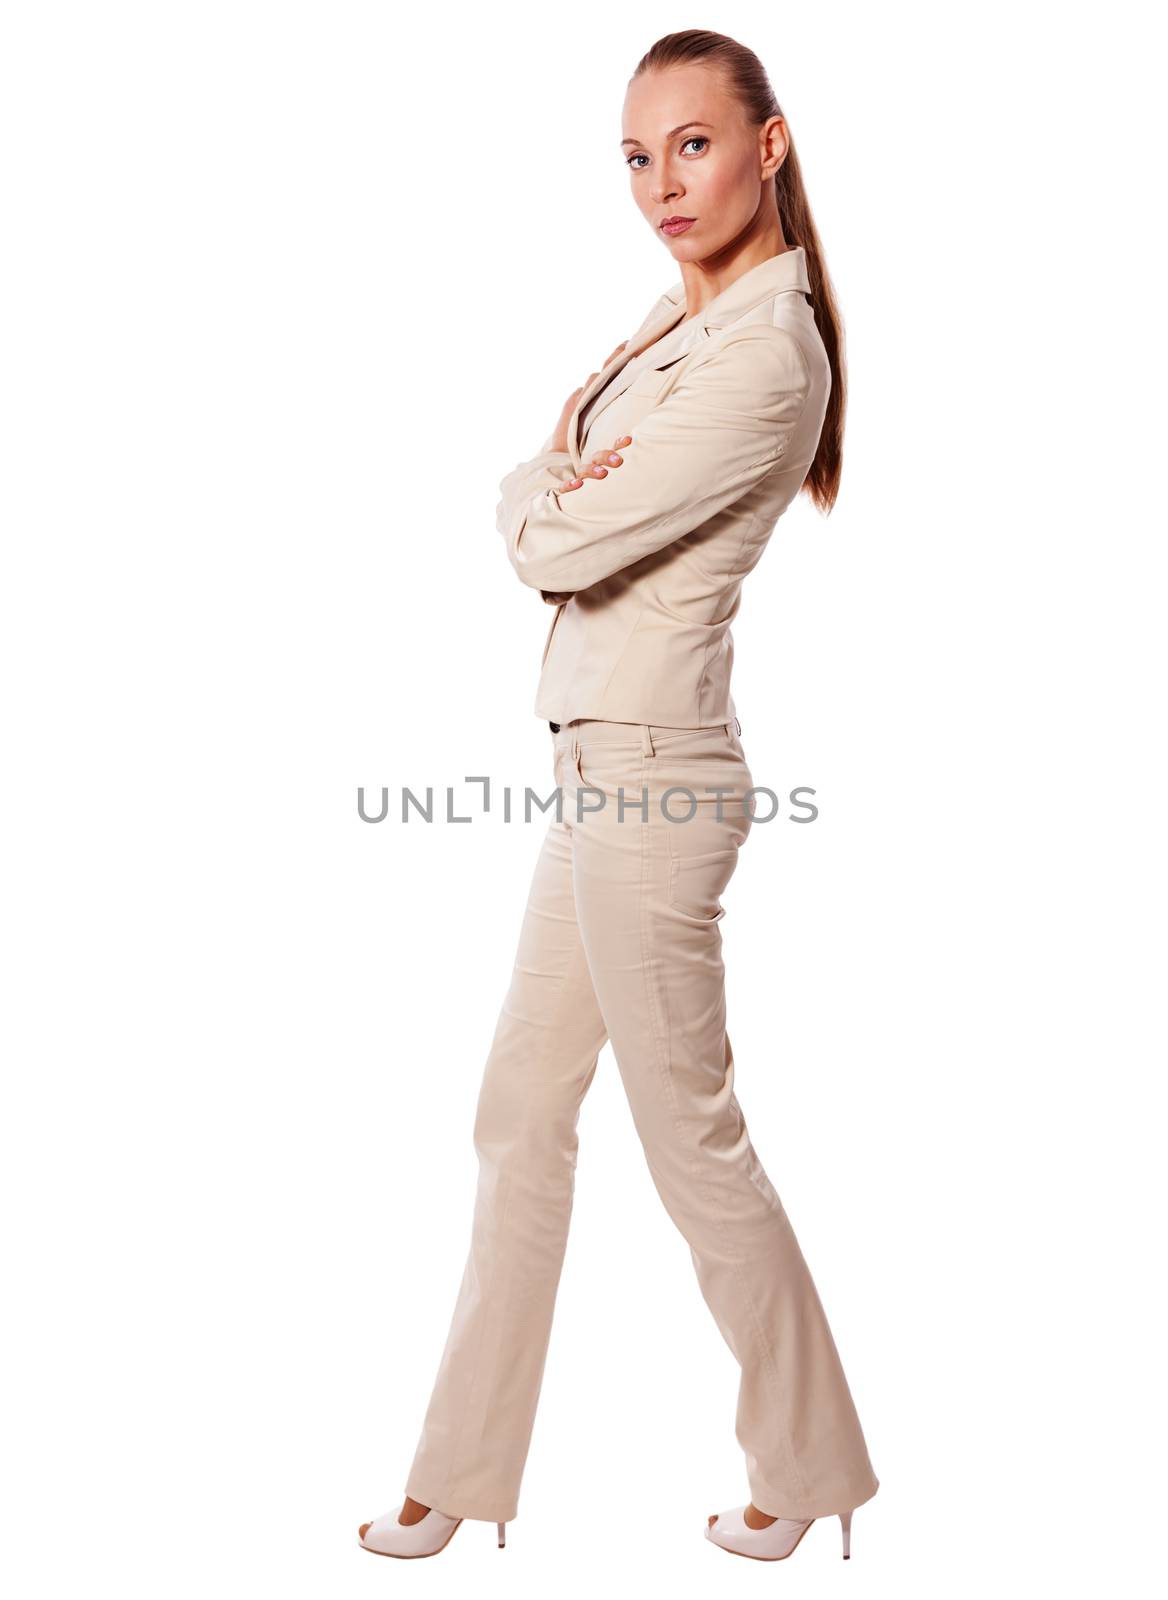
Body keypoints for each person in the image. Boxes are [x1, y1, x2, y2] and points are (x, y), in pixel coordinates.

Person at [358, 27, 879, 1564]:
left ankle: (814, 1466)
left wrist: (546, 497)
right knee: (520, 1112)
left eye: (695, 146)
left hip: (654, 785)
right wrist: (549, 486)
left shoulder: (766, 352)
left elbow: (549, 538)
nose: (662, 182)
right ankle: (462, 1475)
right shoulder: (679, 314)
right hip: (599, 769)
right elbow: (542, 477)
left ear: (769, 149)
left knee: (691, 1142)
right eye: (638, 156)